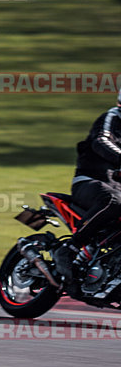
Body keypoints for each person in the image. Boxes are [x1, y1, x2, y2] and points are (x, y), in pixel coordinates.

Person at [54, 89, 121, 280]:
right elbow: (101, 141)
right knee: (113, 201)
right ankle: (69, 249)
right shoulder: (112, 117)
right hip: (92, 182)